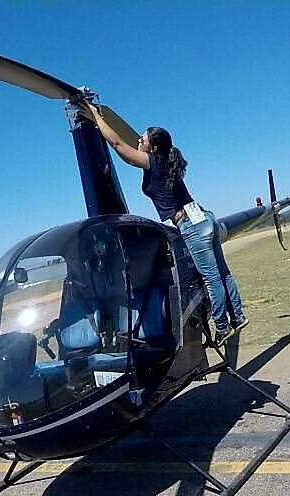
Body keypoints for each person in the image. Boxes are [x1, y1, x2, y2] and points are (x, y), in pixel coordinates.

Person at [78, 101, 247, 347]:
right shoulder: (166, 160)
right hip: (203, 217)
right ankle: (238, 316)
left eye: (143, 139)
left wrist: (96, 117)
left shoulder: (154, 161)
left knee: (211, 278)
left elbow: (118, 145)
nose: (139, 140)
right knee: (222, 273)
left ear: (153, 147)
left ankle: (222, 327)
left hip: (191, 224)